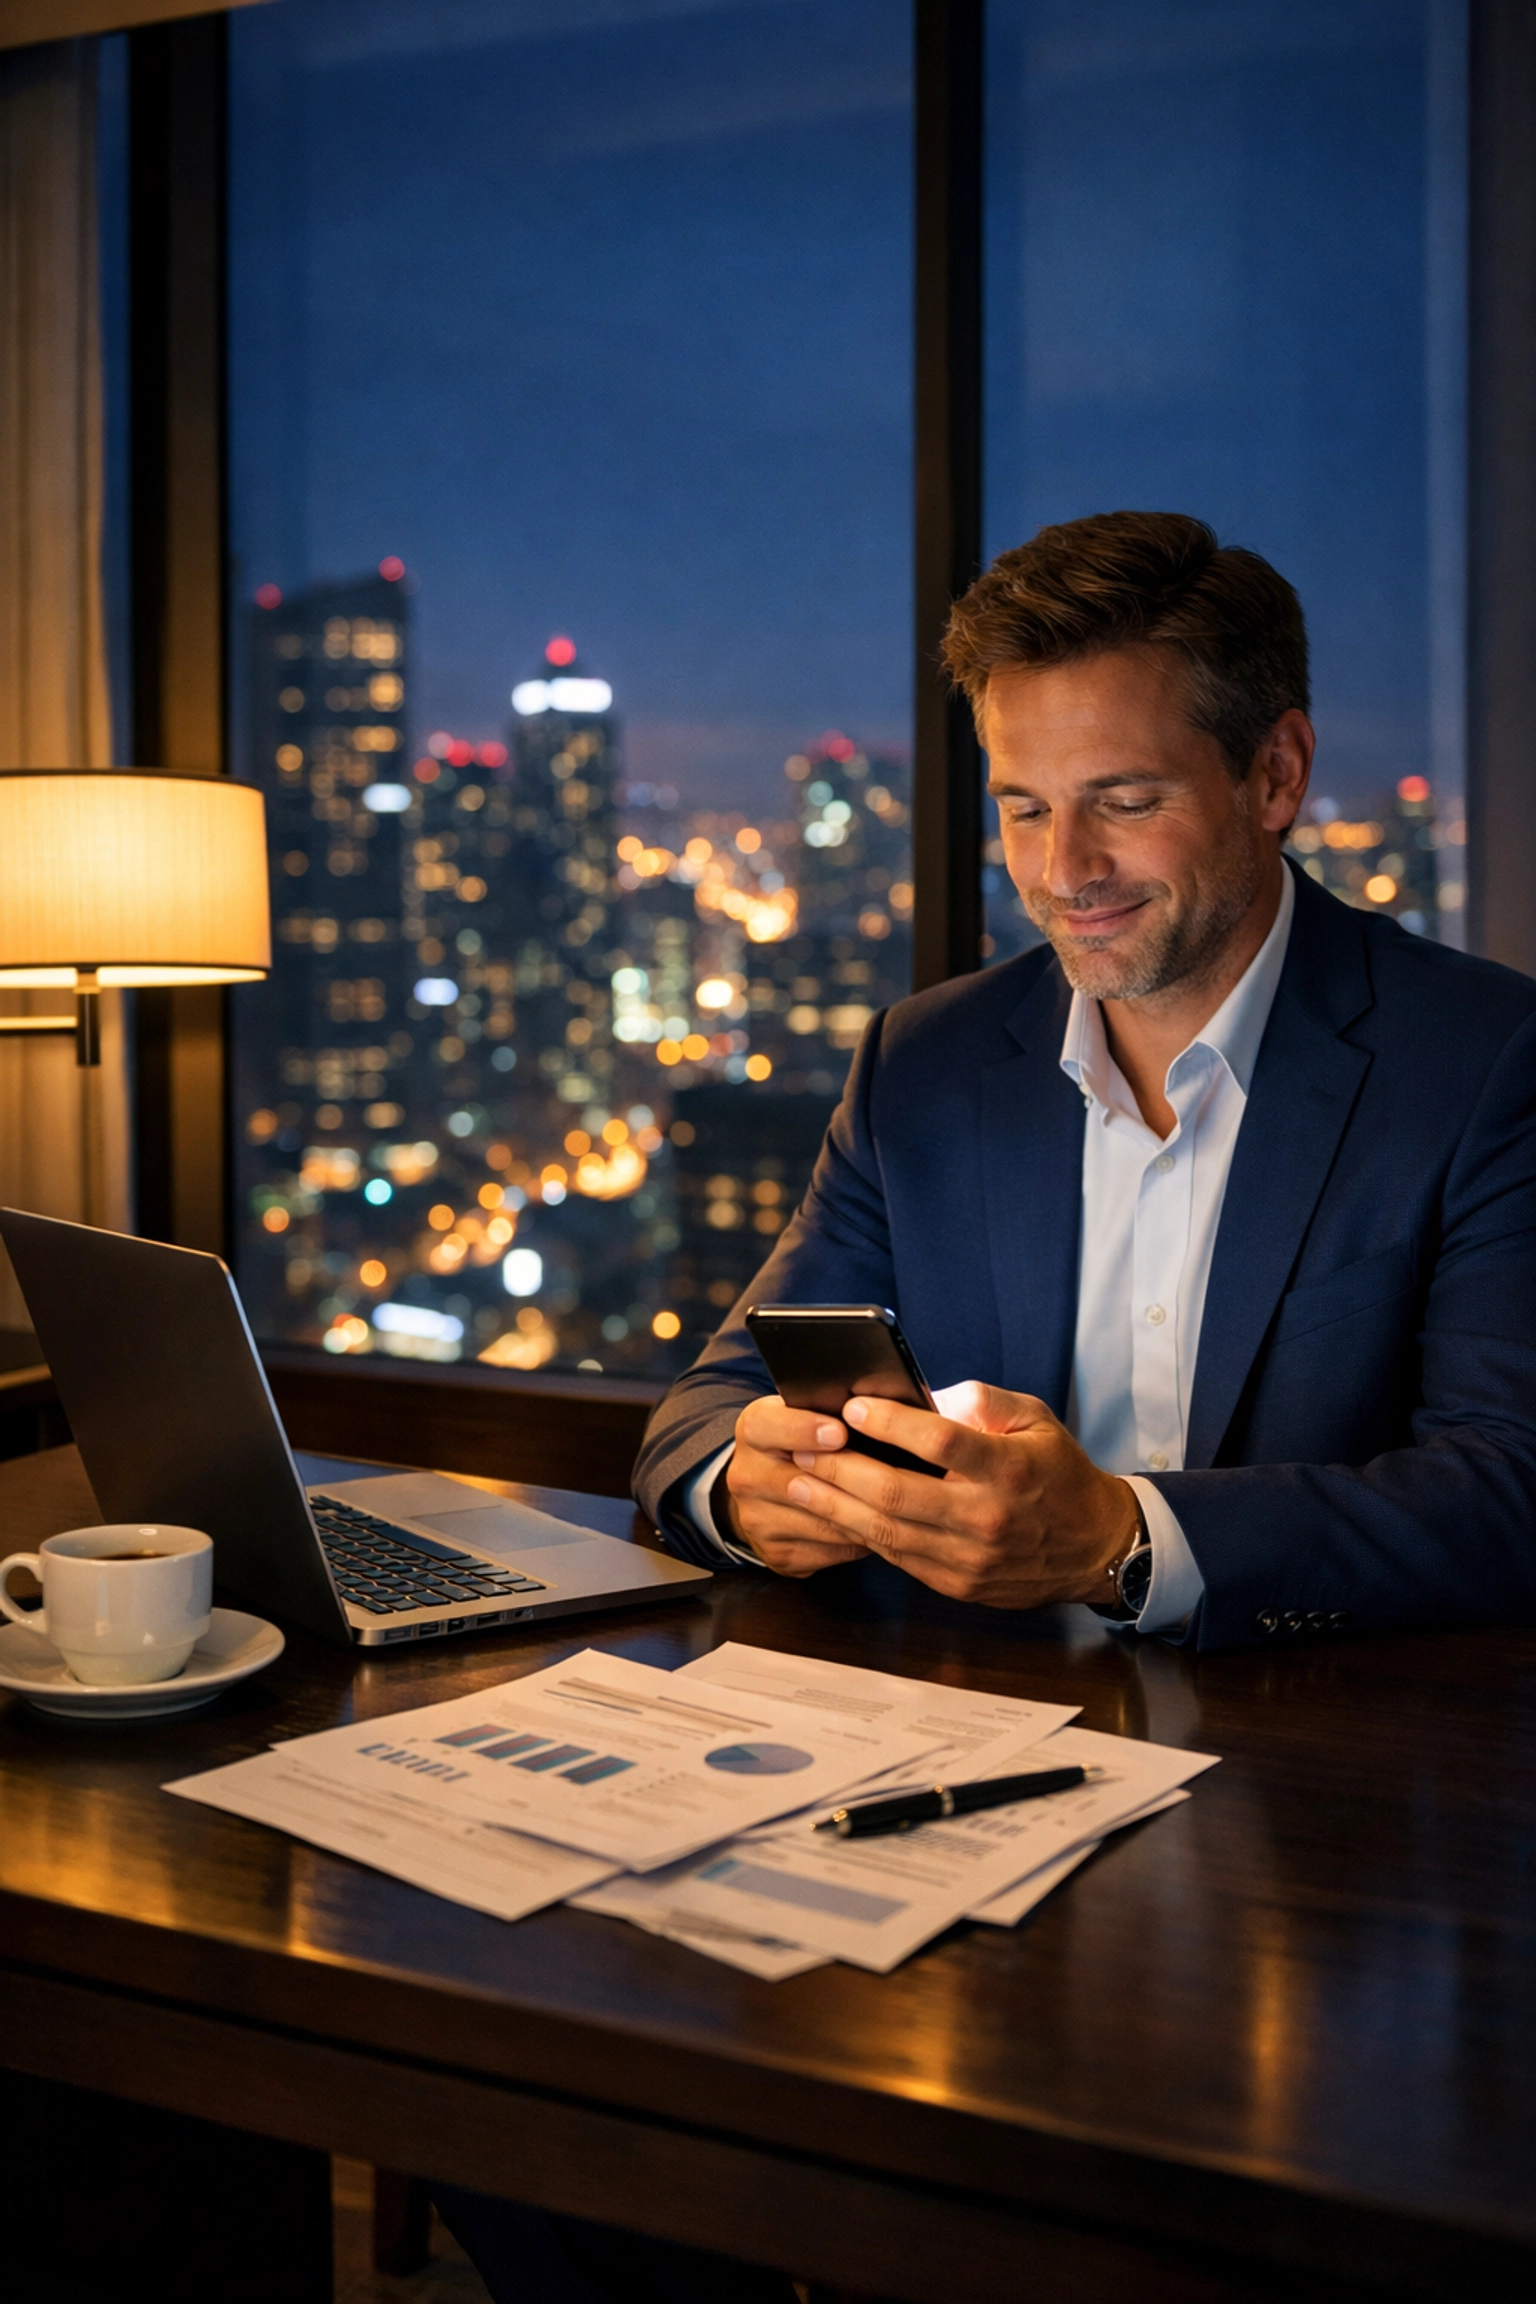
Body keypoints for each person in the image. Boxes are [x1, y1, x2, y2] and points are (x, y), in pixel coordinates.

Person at [635, 511, 1536, 1647]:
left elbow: (1510, 1489)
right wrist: (743, 1488)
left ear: (1275, 775)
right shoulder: (922, 1063)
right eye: (1025, 808)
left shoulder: (1487, 1060)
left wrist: (1122, 1540)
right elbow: (702, 1414)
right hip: (965, 1710)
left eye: (1126, 801)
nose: (1065, 870)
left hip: (1316, 1725)